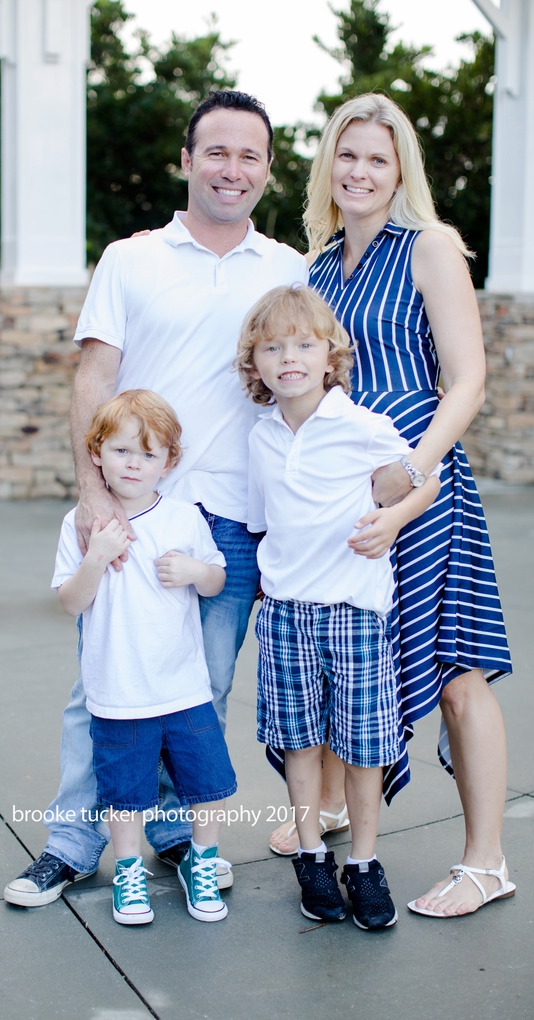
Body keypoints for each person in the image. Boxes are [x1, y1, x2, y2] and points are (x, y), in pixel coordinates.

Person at [4, 89, 311, 908]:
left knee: (197, 694)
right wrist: (90, 495)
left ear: (268, 171)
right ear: (185, 161)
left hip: (236, 523)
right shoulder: (130, 258)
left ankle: (172, 834)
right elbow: (95, 377)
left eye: (250, 154)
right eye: (216, 150)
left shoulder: (289, 269)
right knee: (103, 690)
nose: (231, 167)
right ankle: (71, 845)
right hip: (140, 511)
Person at [268, 93, 514, 919]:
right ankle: (332, 809)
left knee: (454, 669)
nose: (360, 171)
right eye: (347, 154)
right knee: (345, 643)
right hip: (342, 485)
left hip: (420, 474)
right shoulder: (317, 264)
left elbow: (468, 375)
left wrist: (414, 468)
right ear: (327, 165)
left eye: (378, 157)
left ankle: (486, 862)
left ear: (400, 168)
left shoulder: (431, 246)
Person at [237, 283, 441, 929]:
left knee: (363, 747)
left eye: (303, 344)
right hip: (286, 614)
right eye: (272, 347)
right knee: (298, 743)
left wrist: (395, 517)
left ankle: (363, 862)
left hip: (353, 612)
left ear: (331, 357)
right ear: (256, 362)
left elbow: (424, 477)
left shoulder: (361, 425)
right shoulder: (261, 436)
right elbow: (261, 522)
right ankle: (310, 855)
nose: (288, 357)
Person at [52, 390, 235, 925]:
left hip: (183, 688)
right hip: (117, 691)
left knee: (205, 784)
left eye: (149, 454)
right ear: (96, 454)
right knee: (125, 793)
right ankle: (129, 872)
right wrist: (97, 558)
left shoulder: (184, 519)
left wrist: (197, 573)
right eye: (122, 451)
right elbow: (70, 602)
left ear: (169, 463)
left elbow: (217, 577)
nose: (134, 464)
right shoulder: (81, 525)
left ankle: (202, 861)